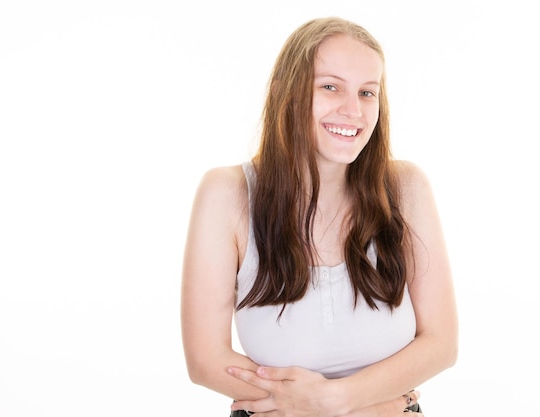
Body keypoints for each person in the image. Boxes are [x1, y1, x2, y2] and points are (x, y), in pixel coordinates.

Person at [180, 16, 458, 417]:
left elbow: (442, 343)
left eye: (367, 92)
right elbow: (205, 361)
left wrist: (336, 401)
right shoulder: (226, 193)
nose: (353, 111)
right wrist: (359, 407)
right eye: (330, 87)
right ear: (286, 95)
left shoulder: (406, 188)